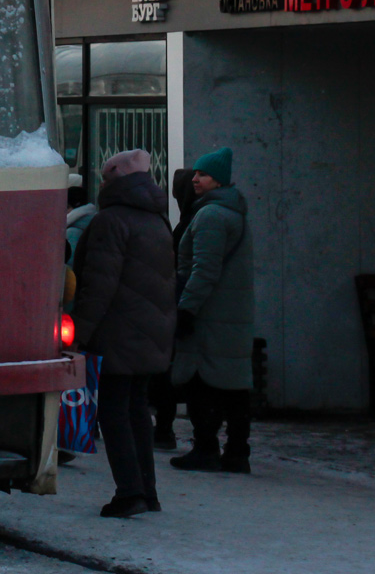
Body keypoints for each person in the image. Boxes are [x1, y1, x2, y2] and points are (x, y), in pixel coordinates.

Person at [70, 149, 176, 518]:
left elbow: (98, 286)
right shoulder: (157, 219)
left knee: (113, 411)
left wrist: (80, 332)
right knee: (136, 410)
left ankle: (130, 493)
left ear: (114, 181)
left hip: (117, 331)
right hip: (151, 332)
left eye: (104, 179)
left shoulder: (110, 221)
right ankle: (147, 491)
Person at [170, 146, 255, 475]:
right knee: (232, 384)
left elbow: (203, 270)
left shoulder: (210, 216)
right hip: (231, 315)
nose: (195, 179)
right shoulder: (235, 213)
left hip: (209, 314)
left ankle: (206, 448)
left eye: (203, 174)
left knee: (201, 383)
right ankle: (237, 452)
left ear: (218, 181)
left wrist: (186, 309)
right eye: (195, 173)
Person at [149, 168, 200, 450]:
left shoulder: (187, 224)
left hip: (179, 305)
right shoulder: (189, 221)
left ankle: (165, 429)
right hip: (183, 305)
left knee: (168, 372)